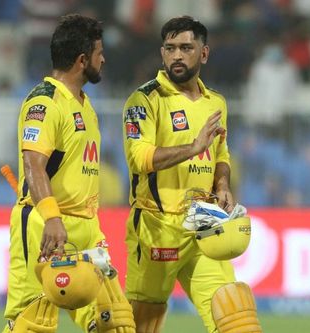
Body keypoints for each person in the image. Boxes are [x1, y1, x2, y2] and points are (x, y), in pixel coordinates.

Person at [122, 16, 262, 333]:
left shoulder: (216, 102)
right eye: (170, 48)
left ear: (204, 53)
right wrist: (194, 146)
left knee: (236, 318)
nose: (177, 55)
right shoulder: (144, 100)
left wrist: (223, 184)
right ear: (162, 53)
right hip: (158, 226)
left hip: (204, 224)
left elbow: (220, 154)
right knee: (141, 323)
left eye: (186, 47)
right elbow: (138, 158)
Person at [2, 14, 134, 333]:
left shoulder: (85, 105)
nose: (104, 58)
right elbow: (34, 163)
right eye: (99, 53)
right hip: (46, 228)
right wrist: (52, 218)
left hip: (87, 229)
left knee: (114, 321)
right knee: (32, 323)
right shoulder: (45, 103)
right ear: (81, 60)